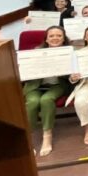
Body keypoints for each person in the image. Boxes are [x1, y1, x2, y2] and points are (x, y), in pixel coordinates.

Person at [23, 26, 72, 156]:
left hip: (57, 85)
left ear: (64, 38)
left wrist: (72, 75)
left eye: (59, 36)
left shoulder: (69, 52)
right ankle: (29, 139)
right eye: (51, 36)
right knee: (33, 102)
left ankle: (47, 136)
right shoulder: (36, 52)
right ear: (46, 39)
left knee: (46, 100)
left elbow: (71, 76)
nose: (55, 38)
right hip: (35, 85)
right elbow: (26, 71)